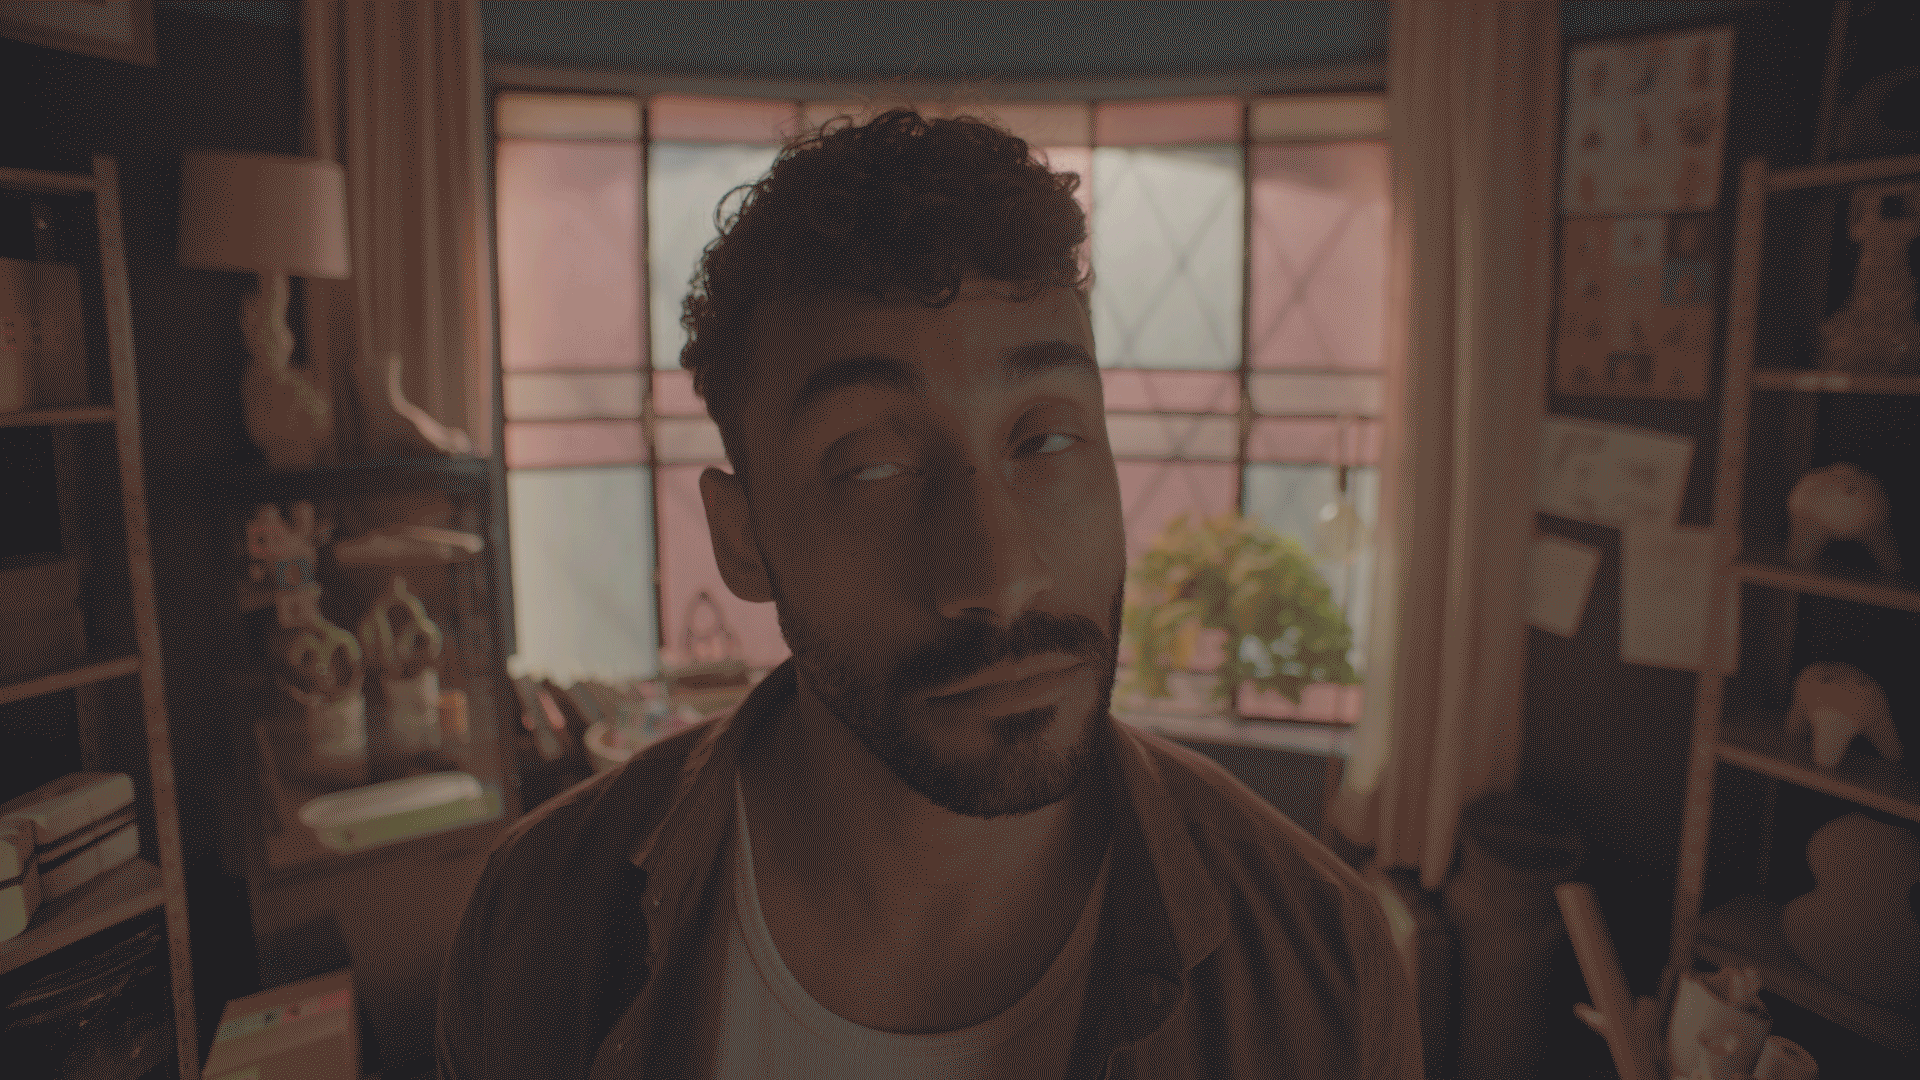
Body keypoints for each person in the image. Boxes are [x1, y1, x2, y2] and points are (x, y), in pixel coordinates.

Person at [437, 106, 1422, 1079]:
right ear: (742, 539)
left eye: (1046, 440)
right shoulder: (537, 924)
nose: (998, 577)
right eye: (872, 467)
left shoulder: (1323, 969)